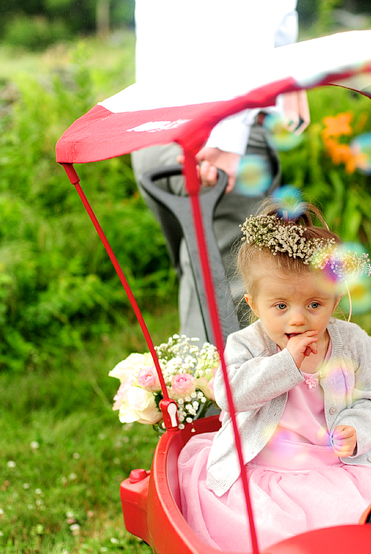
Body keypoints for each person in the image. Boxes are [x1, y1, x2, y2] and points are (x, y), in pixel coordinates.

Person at [175, 204, 371, 551]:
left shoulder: (352, 342)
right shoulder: (247, 344)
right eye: (280, 306)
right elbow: (230, 394)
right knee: (273, 535)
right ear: (254, 305)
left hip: (338, 462)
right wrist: (287, 365)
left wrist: (356, 428)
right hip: (268, 466)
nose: (297, 320)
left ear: (334, 300)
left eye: (314, 305)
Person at [131, 0, 303, 343]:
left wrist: (291, 76)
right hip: (217, 136)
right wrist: (230, 135)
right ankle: (214, 397)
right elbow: (246, 18)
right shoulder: (227, 137)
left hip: (151, 129)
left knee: (201, 289)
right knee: (231, 309)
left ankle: (190, 392)